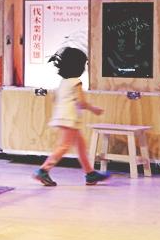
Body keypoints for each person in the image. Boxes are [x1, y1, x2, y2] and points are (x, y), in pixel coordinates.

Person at [34, 46, 108, 186]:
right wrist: (94, 109)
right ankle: (44, 169)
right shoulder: (76, 82)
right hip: (70, 119)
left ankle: (90, 173)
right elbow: (81, 102)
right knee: (64, 146)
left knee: (80, 146)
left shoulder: (64, 82)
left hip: (63, 117)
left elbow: (57, 99)